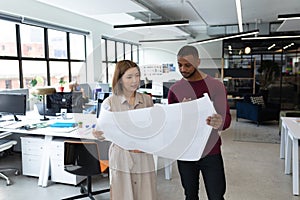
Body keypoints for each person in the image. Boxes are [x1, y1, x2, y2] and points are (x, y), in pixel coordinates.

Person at [168, 45, 231, 200]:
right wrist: (182, 113)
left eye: (188, 65)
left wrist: (219, 121)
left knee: (216, 195)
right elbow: (171, 124)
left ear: (198, 62)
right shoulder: (175, 89)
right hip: (186, 151)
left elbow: (227, 119)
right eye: (180, 65)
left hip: (210, 150)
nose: (183, 69)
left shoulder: (216, 86)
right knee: (190, 195)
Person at [93, 60, 157, 200]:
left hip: (143, 154)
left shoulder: (147, 100)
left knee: (146, 194)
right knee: (122, 195)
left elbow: (155, 129)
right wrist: (98, 133)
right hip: (121, 156)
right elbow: (101, 132)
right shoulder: (109, 102)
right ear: (120, 79)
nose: (135, 81)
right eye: (129, 77)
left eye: (137, 75)